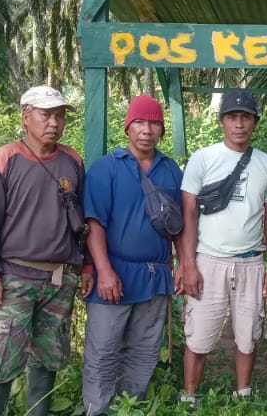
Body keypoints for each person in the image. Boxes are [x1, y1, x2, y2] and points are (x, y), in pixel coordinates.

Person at [0, 86, 88, 416]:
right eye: (46, 114)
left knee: (49, 355)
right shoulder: (4, 160)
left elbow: (82, 219)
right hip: (16, 277)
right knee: (1, 356)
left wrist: (86, 267)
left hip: (59, 280)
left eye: (60, 116)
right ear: (26, 117)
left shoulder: (72, 160)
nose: (54, 122)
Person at [175, 90, 267, 408]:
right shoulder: (203, 159)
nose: (239, 124)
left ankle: (243, 395)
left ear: (255, 122)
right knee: (199, 335)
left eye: (246, 117)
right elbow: (188, 214)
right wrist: (189, 264)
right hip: (209, 261)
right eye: (233, 117)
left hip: (251, 262)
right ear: (222, 121)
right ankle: (190, 396)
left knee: (248, 334)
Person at [79, 95, 183, 415]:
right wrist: (104, 271)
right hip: (115, 274)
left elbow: (180, 224)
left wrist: (181, 264)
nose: (146, 130)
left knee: (144, 350)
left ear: (162, 130)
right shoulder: (106, 168)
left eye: (154, 123)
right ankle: (97, 409)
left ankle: (129, 407)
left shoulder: (171, 170)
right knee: (104, 351)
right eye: (139, 122)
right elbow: (94, 224)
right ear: (127, 127)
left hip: (155, 275)